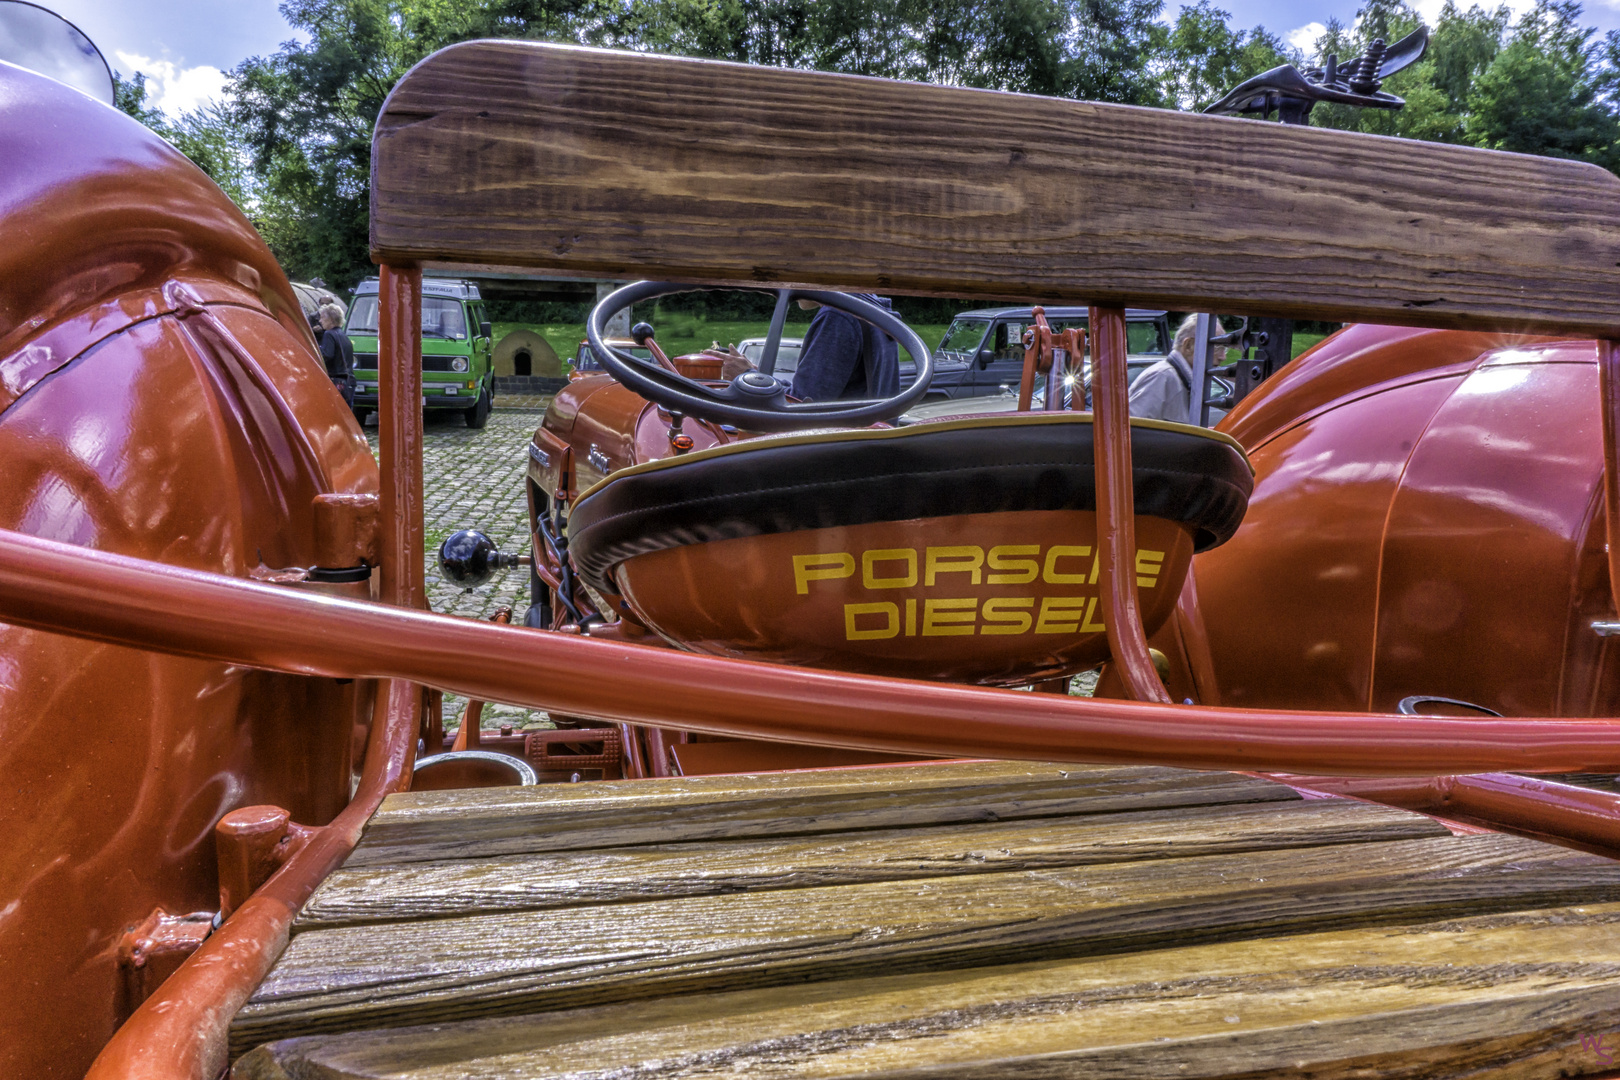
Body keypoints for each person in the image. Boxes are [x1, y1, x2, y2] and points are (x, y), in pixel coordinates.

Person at [788, 294, 900, 402]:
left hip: (847, 422)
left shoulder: (838, 316)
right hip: (869, 420)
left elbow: (804, 403)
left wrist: (772, 388)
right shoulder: (869, 309)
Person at [1128, 314, 1222, 425]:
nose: (1222, 357)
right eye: (1216, 347)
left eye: (1223, 349)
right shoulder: (1162, 377)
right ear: (1188, 345)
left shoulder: (1179, 379)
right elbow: (1133, 431)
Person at [316, 302, 356, 408]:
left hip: (336, 381)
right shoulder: (343, 335)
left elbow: (327, 355)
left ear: (331, 319)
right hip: (349, 382)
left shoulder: (329, 334)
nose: (320, 321)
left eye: (322, 317)